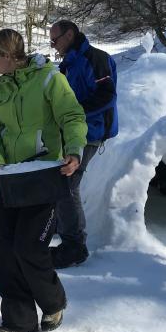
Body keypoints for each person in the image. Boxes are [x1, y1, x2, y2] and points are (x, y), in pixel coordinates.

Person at [0, 28, 87, 332]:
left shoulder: (49, 79)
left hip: (43, 173)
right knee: (4, 255)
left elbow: (72, 115)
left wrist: (73, 150)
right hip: (9, 177)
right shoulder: (0, 87)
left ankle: (54, 303)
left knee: (29, 247)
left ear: (10, 54)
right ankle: (19, 320)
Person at [49, 19, 118, 269]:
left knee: (68, 183)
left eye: (55, 40)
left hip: (91, 131)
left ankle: (75, 246)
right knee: (59, 180)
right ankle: (59, 227)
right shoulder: (68, 63)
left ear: (69, 35)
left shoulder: (95, 59)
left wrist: (75, 113)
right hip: (72, 131)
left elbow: (107, 96)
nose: (53, 45)